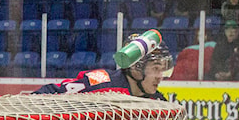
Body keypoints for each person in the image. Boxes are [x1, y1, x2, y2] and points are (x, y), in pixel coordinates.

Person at [35, 32, 173, 99]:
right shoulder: (102, 84)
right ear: (136, 67)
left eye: (162, 69)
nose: (160, 77)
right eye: (155, 68)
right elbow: (50, 93)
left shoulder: (157, 102)